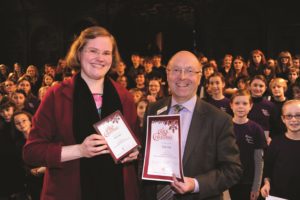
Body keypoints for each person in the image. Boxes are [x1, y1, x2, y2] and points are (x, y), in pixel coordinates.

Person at [23, 26, 140, 200]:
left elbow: (137, 144)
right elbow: (31, 153)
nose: (100, 58)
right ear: (79, 54)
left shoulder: (125, 97)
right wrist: (79, 150)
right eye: (93, 51)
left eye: (106, 53)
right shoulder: (56, 95)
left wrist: (135, 152)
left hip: (118, 192)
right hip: (68, 192)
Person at [141, 50, 242, 200]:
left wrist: (195, 184)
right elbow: (146, 154)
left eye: (189, 71)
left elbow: (232, 170)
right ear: (167, 74)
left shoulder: (219, 119)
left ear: (199, 77)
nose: (182, 77)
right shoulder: (154, 109)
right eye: (176, 70)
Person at [229, 90, 266, 200]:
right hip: (230, 179)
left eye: (245, 103)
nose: (241, 107)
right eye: (237, 103)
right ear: (231, 105)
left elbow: (259, 160)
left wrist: (256, 186)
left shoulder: (256, 129)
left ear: (251, 106)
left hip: (249, 181)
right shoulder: (225, 127)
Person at [260, 100, 300, 199]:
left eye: (298, 115)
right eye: (289, 116)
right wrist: (266, 184)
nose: (294, 119)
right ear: (283, 119)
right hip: (279, 196)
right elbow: (268, 170)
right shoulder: (276, 143)